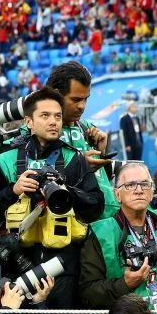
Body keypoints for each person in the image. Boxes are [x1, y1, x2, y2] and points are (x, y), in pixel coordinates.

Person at [0, 87, 104, 314]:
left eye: (57, 116)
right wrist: (13, 190)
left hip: (64, 265)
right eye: (45, 116)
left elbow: (95, 207)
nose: (53, 122)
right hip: (17, 262)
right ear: (28, 122)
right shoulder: (4, 159)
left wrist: (66, 190)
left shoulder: (74, 158)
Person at [80, 162, 157, 314]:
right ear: (117, 194)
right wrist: (125, 283)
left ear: (152, 191)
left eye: (145, 184)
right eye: (130, 185)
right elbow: (88, 293)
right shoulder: (101, 232)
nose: (139, 190)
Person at [44, 61, 118, 219]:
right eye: (76, 99)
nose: (82, 106)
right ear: (56, 95)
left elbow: (100, 179)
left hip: (107, 222)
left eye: (86, 99)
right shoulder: (38, 133)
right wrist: (80, 168)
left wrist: (102, 151)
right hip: (71, 227)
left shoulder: (88, 129)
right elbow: (40, 179)